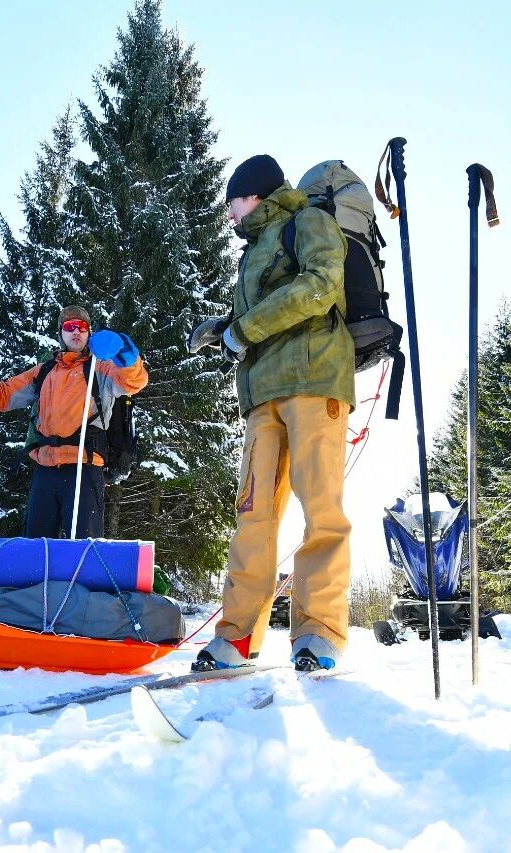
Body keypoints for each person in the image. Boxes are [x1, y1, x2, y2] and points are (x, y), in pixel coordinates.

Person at [187, 154, 354, 673]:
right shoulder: (255, 250)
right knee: (252, 517)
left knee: (320, 509)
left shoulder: (309, 221)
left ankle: (319, 633)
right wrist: (225, 326)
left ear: (253, 195)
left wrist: (244, 329)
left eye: (231, 202)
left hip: (313, 380)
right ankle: (238, 637)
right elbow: (260, 311)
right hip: (262, 398)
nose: (229, 214)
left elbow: (321, 284)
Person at [0, 305, 147, 538]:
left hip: (85, 464)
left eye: (82, 327)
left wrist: (124, 351)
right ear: (60, 333)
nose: (76, 332)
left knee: (84, 545)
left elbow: (134, 381)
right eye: (70, 326)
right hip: (45, 468)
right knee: (36, 543)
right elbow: (3, 396)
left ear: (89, 333)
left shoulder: (100, 368)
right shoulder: (44, 371)